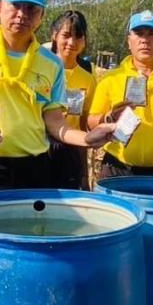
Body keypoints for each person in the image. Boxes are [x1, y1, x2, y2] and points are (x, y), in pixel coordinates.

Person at [0, 0, 113, 193]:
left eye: (31, 9)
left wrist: (87, 138)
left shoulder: (51, 63)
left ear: (41, 16)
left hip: (35, 168)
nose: (22, 14)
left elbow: (55, 121)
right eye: (15, 5)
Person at [89, 10, 153, 180]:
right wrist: (109, 117)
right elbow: (91, 122)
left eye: (152, 34)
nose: (145, 40)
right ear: (129, 41)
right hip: (116, 167)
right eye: (139, 34)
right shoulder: (111, 79)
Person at [48, 10, 97, 189]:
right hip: (40, 149)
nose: (71, 42)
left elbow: (83, 125)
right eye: (66, 35)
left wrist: (84, 172)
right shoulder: (41, 70)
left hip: (71, 152)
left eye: (78, 37)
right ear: (54, 35)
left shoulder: (88, 78)